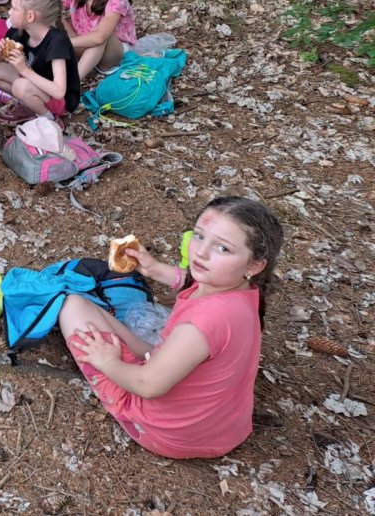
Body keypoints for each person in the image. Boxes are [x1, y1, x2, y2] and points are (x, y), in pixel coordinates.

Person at [60, 197, 284, 459]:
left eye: (223, 248)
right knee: (95, 313)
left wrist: (107, 361)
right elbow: (190, 281)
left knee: (73, 305)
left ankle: (119, 384)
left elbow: (148, 385)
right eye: (199, 236)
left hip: (169, 435)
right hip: (222, 429)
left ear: (255, 265)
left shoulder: (204, 322)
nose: (201, 253)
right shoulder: (241, 291)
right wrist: (154, 269)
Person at [0, 0, 79, 124]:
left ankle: (50, 119)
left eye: (14, 8)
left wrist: (24, 70)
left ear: (30, 17)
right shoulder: (19, 32)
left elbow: (59, 91)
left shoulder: (56, 42)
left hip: (59, 101)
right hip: (31, 84)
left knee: (20, 86)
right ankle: (26, 104)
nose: (9, 12)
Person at [63, 0, 137, 80]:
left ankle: (72, 83)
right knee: (53, 15)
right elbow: (50, 3)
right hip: (84, 46)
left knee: (100, 38)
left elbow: (100, 37)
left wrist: (64, 42)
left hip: (112, 55)